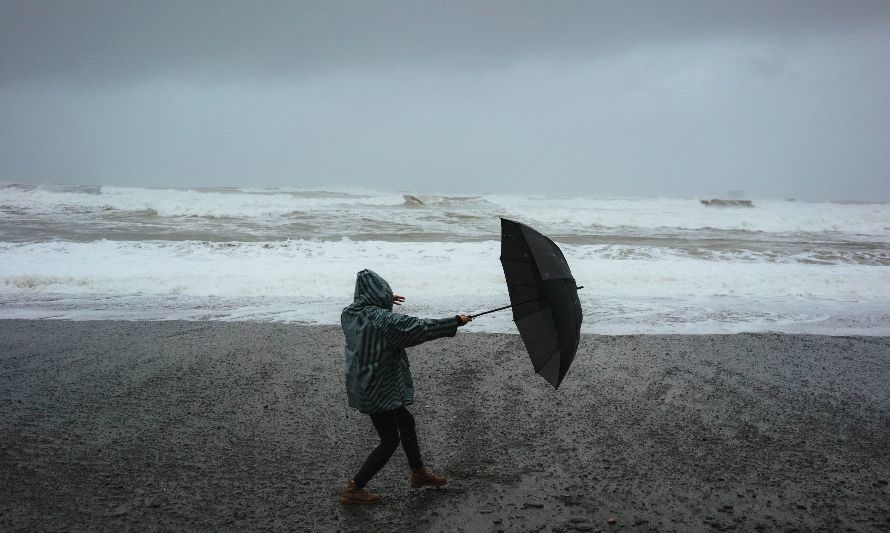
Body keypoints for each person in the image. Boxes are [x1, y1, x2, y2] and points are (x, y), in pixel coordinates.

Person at [339, 269, 472, 505]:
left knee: (406, 421)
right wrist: (455, 322)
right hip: (378, 389)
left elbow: (369, 311)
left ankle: (418, 472)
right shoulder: (385, 321)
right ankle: (355, 488)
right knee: (389, 440)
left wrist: (383, 301)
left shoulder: (349, 314)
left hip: (363, 383)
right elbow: (419, 328)